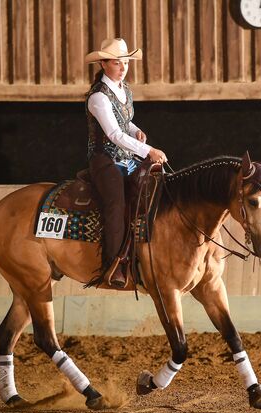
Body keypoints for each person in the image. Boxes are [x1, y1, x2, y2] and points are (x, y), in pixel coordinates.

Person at [84, 38, 167, 287]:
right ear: (103, 64)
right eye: (118, 63)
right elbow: (113, 134)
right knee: (116, 206)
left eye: (126, 63)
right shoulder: (98, 97)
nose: (123, 68)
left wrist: (136, 130)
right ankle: (113, 266)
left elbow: (124, 123)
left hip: (126, 158)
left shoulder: (124, 89)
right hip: (104, 161)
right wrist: (148, 150)